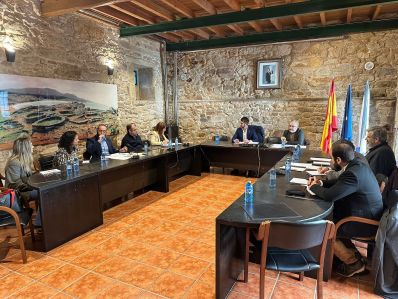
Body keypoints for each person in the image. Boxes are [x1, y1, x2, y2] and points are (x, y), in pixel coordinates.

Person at [308, 141, 383, 277]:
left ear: (338, 159)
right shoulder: (357, 163)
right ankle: (350, 255)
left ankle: (353, 263)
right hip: (366, 214)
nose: (331, 161)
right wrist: (321, 182)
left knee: (325, 226)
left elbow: (329, 196)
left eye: (332, 158)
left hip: (364, 222)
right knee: (330, 216)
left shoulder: (353, 173)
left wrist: (313, 187)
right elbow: (341, 182)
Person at [4, 133, 40, 224]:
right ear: (25, 148)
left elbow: (27, 177)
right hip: (17, 193)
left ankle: (41, 221)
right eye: (31, 145)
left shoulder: (23, 160)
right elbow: (16, 184)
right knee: (43, 192)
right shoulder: (14, 162)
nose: (33, 146)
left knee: (44, 191)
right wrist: (34, 186)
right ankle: (39, 223)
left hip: (24, 189)